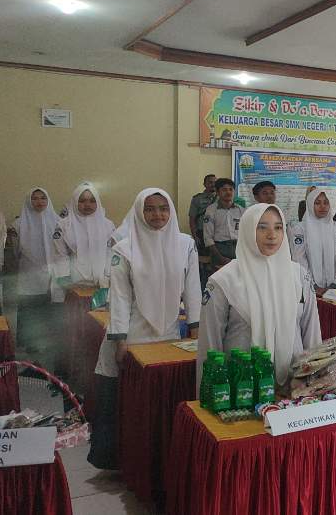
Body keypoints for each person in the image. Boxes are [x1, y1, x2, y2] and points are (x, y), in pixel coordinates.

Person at [89, 189, 201, 469]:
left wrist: (196, 328)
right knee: (135, 403)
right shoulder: (124, 249)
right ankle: (132, 460)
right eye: (149, 209)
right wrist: (120, 340)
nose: (157, 214)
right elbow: (120, 297)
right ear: (139, 212)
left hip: (170, 335)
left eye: (163, 208)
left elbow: (193, 289)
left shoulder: (185, 244)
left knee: (163, 400)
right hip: (133, 334)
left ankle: (163, 458)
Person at [199, 204, 321, 390]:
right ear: (247, 229)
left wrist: (315, 385)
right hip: (242, 390)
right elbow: (210, 343)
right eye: (262, 227)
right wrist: (209, 394)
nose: (272, 235)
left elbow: (312, 335)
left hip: (294, 388)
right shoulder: (224, 280)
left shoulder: (299, 276)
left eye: (278, 228)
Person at [11, 188, 61, 361]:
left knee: (47, 309)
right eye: (35, 198)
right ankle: (30, 343)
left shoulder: (58, 222)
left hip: (52, 274)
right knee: (30, 309)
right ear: (29, 201)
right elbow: (15, 252)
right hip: (29, 275)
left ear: (48, 201)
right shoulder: (18, 225)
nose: (39, 202)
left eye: (43, 198)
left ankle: (47, 342)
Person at [52, 183, 115, 288]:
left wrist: (108, 276)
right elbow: (60, 254)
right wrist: (64, 278)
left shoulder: (108, 225)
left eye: (92, 201)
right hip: (73, 283)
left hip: (103, 282)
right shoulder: (64, 226)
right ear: (75, 202)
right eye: (82, 201)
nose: (87, 205)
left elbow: (110, 252)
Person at [290, 189, 336, 294]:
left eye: (326, 203)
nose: (322, 206)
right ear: (310, 205)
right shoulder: (300, 228)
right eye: (317, 203)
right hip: (309, 288)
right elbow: (299, 259)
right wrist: (312, 285)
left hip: (334, 288)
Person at [203, 178, 244, 270]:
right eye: (224, 190)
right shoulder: (211, 210)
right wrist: (220, 258)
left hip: (238, 249)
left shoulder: (241, 210)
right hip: (219, 250)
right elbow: (208, 238)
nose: (228, 192)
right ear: (217, 192)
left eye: (230, 189)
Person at [188, 174, 217, 254]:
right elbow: (192, 219)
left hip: (218, 233)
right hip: (202, 233)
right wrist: (195, 236)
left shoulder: (221, 198)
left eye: (215, 182)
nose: (213, 184)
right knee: (203, 257)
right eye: (210, 182)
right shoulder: (197, 199)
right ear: (204, 184)